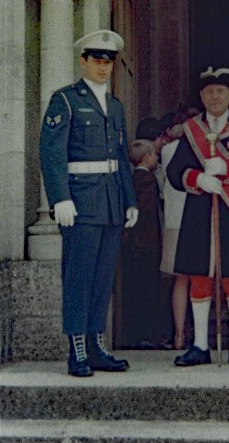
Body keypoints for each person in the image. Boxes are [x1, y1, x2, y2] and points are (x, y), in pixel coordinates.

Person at [40, 30, 139, 377]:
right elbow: (51, 154)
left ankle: (97, 344)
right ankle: (77, 348)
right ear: (83, 62)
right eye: (97, 60)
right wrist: (59, 198)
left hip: (111, 201)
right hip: (81, 202)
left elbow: (121, 158)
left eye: (108, 60)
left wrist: (129, 200)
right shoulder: (65, 100)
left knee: (102, 277)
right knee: (80, 276)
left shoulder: (114, 105)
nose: (103, 66)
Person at [167, 67, 229, 368]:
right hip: (200, 213)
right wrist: (198, 179)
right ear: (201, 96)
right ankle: (199, 345)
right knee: (199, 278)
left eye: (221, 91)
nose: (215, 96)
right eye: (209, 91)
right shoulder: (190, 131)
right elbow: (175, 173)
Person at [160, 108, 198, 350]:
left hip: (173, 219)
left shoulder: (166, 150)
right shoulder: (199, 148)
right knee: (203, 279)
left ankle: (179, 336)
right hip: (196, 220)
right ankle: (198, 333)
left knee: (181, 280)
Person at [126, 139, 164, 349]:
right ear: (147, 157)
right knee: (149, 290)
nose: (157, 158)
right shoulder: (148, 180)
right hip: (147, 243)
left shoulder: (133, 179)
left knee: (135, 291)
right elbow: (148, 214)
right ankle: (148, 336)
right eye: (155, 155)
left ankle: (135, 335)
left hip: (133, 244)